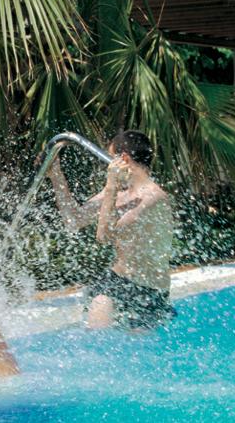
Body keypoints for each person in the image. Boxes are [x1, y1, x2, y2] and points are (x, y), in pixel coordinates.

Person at [46, 130, 175, 329]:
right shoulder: (119, 192)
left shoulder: (154, 198)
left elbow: (104, 236)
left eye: (110, 157)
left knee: (136, 345)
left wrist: (111, 185)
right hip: (114, 281)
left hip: (149, 291)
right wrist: (56, 175)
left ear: (123, 159)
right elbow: (73, 220)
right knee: (100, 310)